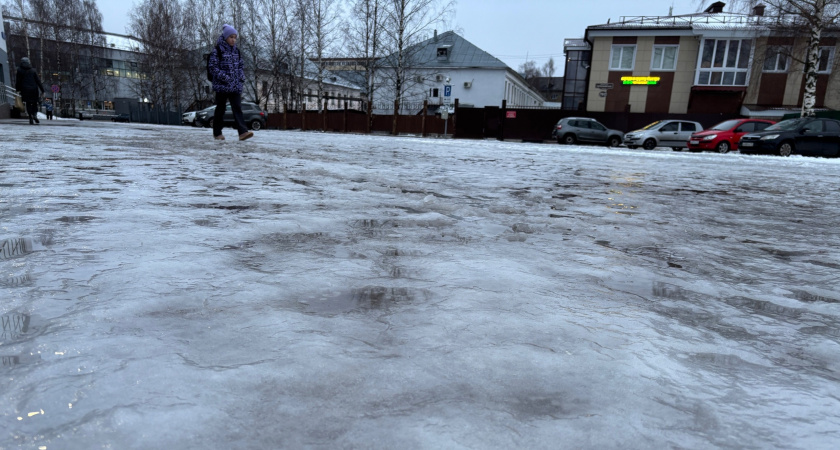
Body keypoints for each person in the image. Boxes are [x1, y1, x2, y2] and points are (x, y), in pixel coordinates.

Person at [207, 24, 253, 141]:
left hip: (235, 85)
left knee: (237, 107)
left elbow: (241, 66)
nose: (233, 39)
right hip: (222, 86)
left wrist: (241, 77)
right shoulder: (217, 50)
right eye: (231, 37)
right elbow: (212, 67)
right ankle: (217, 133)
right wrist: (225, 77)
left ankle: (243, 132)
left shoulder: (236, 51)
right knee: (220, 109)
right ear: (226, 37)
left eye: (235, 37)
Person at [15, 57, 46, 125]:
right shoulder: (33, 70)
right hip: (34, 89)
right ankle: (34, 114)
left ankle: (30, 117)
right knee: (35, 103)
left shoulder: (19, 70)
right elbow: (38, 81)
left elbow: (18, 81)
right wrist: (42, 90)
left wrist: (17, 90)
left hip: (25, 89)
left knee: (28, 103)